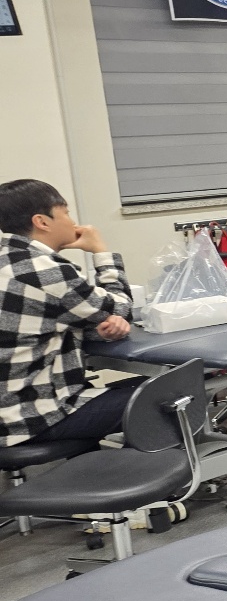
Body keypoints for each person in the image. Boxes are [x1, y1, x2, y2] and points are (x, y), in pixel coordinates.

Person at [0, 179, 134, 449]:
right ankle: (160, 472)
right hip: (27, 418)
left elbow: (39, 322)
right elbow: (120, 307)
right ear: (42, 221)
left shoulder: (8, 261)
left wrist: (98, 325)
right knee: (169, 396)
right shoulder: (43, 271)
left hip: (9, 410)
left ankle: (92, 469)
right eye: (66, 213)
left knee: (136, 389)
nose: (73, 222)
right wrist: (101, 251)